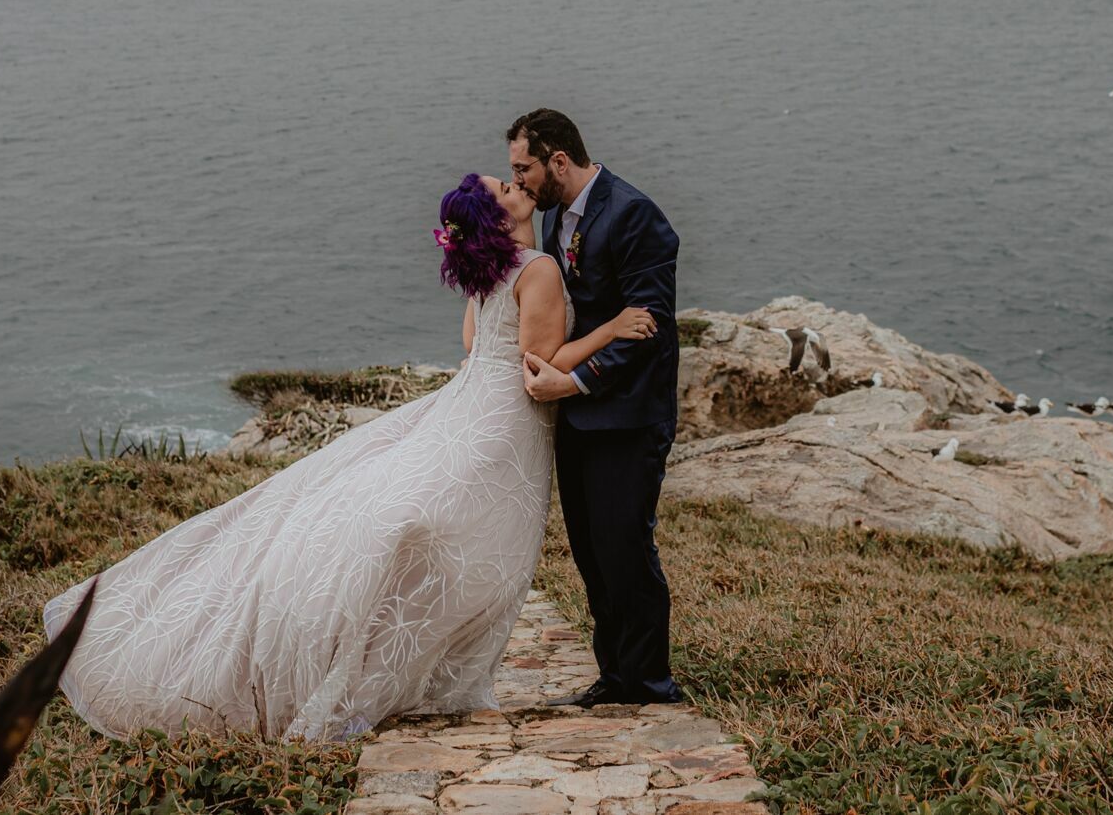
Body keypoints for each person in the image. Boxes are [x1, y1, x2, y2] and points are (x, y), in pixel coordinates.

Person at [41, 172, 656, 740]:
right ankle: (412, 664)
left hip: (466, 400)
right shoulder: (539, 266)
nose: (515, 181)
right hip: (503, 418)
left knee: (420, 518)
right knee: (475, 540)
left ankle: (398, 656)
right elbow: (536, 364)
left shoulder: (491, 270)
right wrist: (609, 329)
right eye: (505, 184)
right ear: (500, 217)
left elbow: (472, 342)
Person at [508, 109, 683, 706]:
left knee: (626, 545)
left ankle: (651, 683)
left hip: (630, 415)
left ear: (559, 159)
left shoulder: (636, 215)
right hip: (578, 419)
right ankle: (615, 675)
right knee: (589, 547)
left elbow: (648, 330)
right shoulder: (556, 216)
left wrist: (574, 382)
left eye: (524, 167)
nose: (521, 180)